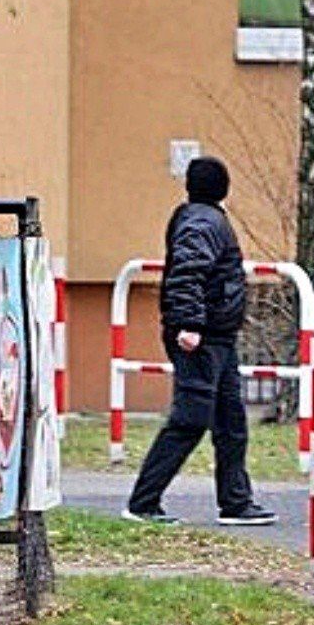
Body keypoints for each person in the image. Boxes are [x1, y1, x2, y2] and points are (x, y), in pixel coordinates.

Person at [122, 156, 276, 526]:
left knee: (231, 421)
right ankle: (143, 503)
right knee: (191, 419)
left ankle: (236, 501)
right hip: (201, 336)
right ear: (223, 188)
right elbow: (187, 274)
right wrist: (190, 324)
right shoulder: (203, 223)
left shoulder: (200, 220)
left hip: (216, 336)